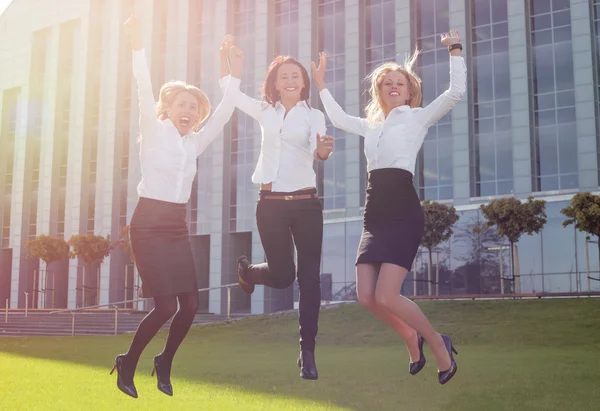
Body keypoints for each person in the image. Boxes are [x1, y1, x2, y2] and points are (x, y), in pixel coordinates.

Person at [312, 30, 466, 385]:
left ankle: (437, 344)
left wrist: (454, 50)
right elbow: (336, 118)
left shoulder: (417, 118)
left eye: (400, 82)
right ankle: (410, 336)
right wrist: (320, 84)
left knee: (387, 294)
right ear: (378, 92)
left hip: (402, 211)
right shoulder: (371, 125)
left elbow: (455, 93)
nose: (393, 86)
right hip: (374, 213)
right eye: (386, 84)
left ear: (411, 91)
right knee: (367, 297)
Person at [110, 17, 243, 398]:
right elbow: (142, 85)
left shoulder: (194, 143)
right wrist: (137, 43)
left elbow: (225, 111)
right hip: (148, 223)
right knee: (165, 305)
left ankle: (164, 360)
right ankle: (128, 362)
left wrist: (229, 69)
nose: (190, 111)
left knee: (191, 306)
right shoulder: (152, 133)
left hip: (176, 225)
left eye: (195, 108)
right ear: (165, 108)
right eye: (182, 104)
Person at [221, 38, 334, 380]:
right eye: (283, 75)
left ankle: (308, 352)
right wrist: (233, 66)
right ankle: (250, 271)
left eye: (295, 75)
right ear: (275, 82)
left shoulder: (314, 116)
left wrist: (324, 152)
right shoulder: (265, 111)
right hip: (270, 204)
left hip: (305, 205)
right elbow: (231, 95)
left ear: (303, 83)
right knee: (283, 276)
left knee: (309, 279)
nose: (289, 79)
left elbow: (320, 151)